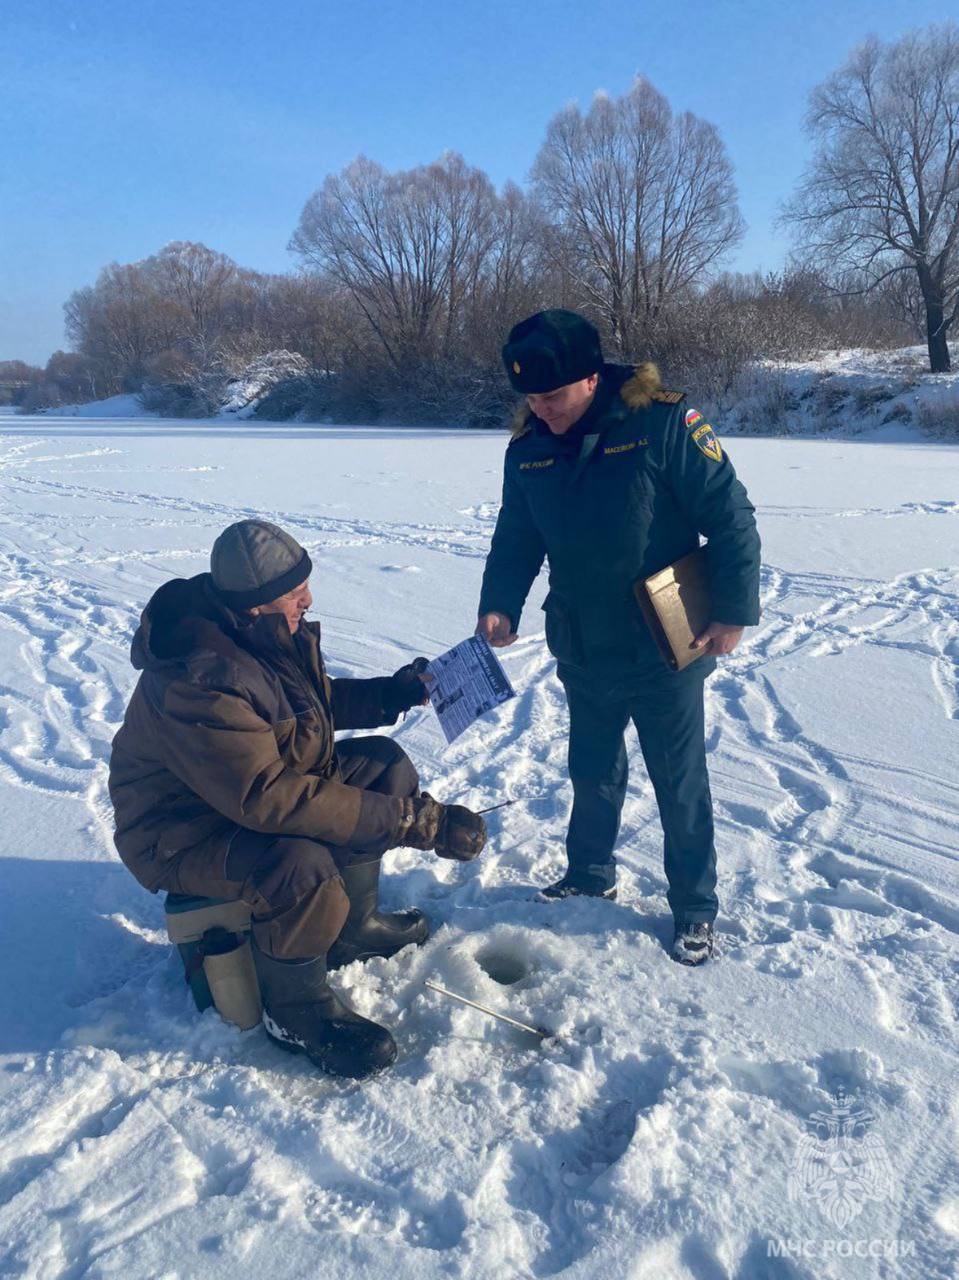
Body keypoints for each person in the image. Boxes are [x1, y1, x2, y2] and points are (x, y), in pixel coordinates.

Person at [109, 519, 487, 1078]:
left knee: (382, 766)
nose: (307, 599)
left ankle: (352, 930)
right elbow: (269, 798)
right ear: (255, 606)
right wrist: (417, 823)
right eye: (292, 592)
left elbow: (303, 707)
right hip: (182, 831)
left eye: (304, 583)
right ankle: (297, 1010)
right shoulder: (203, 678)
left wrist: (393, 693)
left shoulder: (251, 632)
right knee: (300, 869)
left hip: (241, 795)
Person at [476, 310, 761, 965]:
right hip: (581, 642)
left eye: (552, 396)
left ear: (591, 378)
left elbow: (730, 519)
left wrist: (732, 610)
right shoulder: (528, 450)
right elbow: (516, 537)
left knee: (677, 782)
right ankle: (589, 873)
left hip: (663, 642)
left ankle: (692, 908)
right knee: (592, 771)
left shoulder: (661, 425)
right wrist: (499, 604)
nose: (541, 409)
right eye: (529, 398)